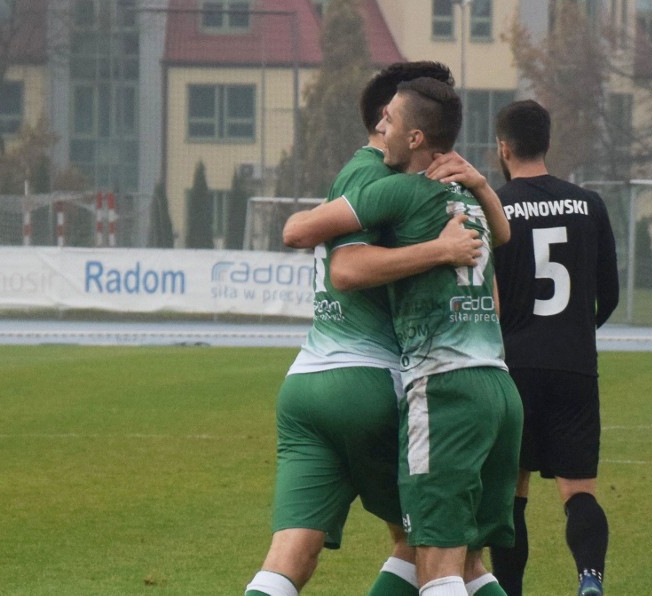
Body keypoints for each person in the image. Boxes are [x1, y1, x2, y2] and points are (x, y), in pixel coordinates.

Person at [244, 62, 484, 596]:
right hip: (370, 382)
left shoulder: (361, 172)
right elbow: (347, 269)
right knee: (440, 549)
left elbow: (300, 231)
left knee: (289, 556)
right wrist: (441, 250)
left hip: (307, 384)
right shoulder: (379, 176)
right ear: (390, 120)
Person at [487, 100, 619, 596]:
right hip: (574, 366)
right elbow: (611, 295)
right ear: (547, 142)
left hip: (514, 368)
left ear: (503, 147)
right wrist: (576, 333)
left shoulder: (494, 206)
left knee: (510, 494)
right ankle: (589, 580)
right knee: (578, 490)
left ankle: (510, 590)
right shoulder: (589, 204)